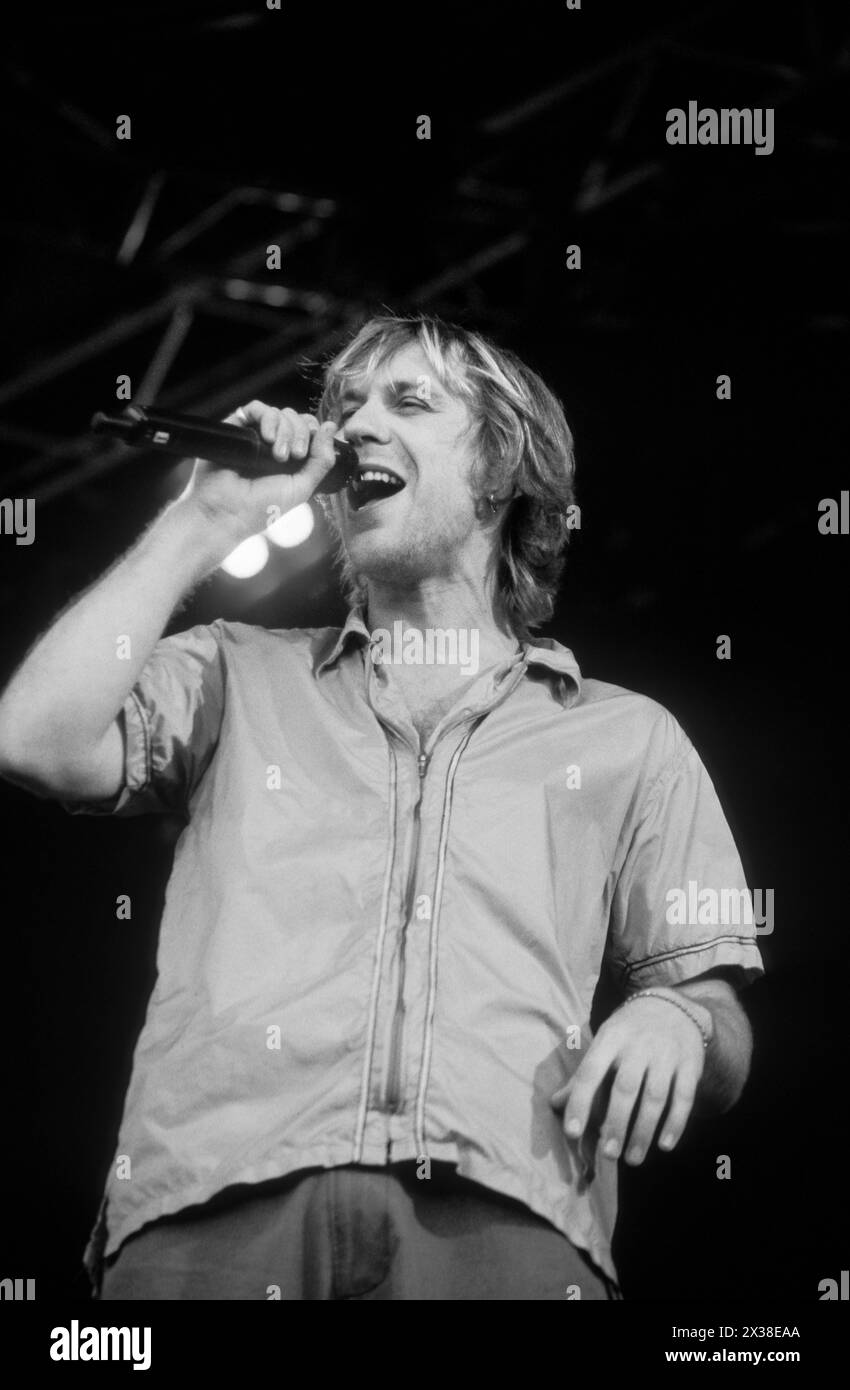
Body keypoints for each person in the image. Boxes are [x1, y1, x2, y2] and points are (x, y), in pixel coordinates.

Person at [0, 314, 764, 1301]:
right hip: (212, 1214)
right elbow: (32, 738)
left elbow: (718, 1005)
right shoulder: (236, 673)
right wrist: (204, 522)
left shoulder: (626, 737)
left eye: (408, 402)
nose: (357, 425)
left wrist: (682, 1020)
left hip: (502, 1225)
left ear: (500, 468)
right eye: (345, 406)